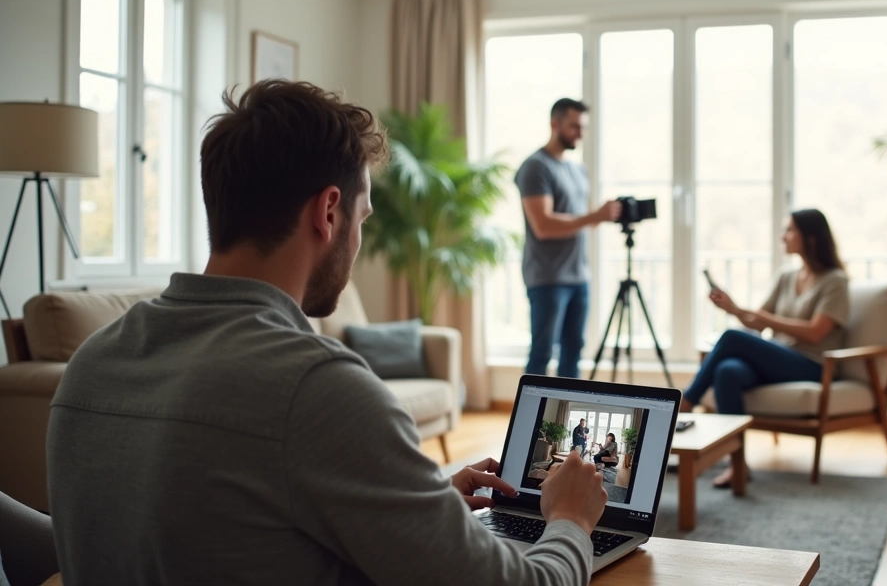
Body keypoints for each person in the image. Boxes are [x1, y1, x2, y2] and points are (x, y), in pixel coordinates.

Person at [46, 80, 609, 586]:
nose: (358, 241)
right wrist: (571, 519)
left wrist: (424, 503)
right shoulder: (317, 386)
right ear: (329, 213)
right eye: (362, 219)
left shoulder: (94, 360)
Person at [683, 209, 850, 488]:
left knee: (732, 338)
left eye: (789, 230)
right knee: (727, 371)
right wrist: (732, 307)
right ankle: (738, 465)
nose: (782, 236)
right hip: (779, 360)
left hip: (812, 365)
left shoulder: (835, 281)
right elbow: (756, 323)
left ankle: (686, 404)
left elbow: (815, 333)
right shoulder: (787, 277)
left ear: (810, 238)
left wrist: (762, 318)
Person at [515, 99, 622, 378]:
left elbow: (581, 221)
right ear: (555, 124)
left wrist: (602, 216)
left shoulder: (578, 170)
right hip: (548, 278)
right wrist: (593, 217)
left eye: (583, 127)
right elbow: (543, 224)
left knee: (573, 353)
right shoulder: (535, 168)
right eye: (574, 126)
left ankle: (564, 419)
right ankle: (528, 421)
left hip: (578, 277)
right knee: (542, 353)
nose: (580, 133)